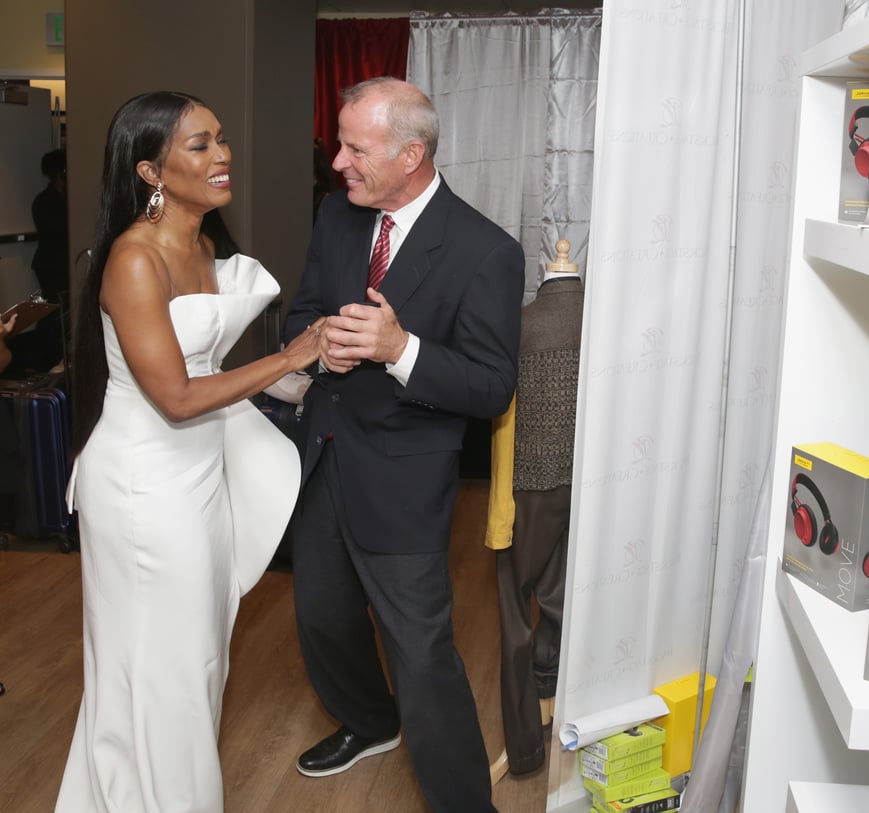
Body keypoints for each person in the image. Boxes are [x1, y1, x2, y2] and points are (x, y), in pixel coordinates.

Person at [56, 90, 325, 813]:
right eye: (200, 145)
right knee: (165, 658)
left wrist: (299, 377)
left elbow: (202, 377)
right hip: (145, 484)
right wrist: (287, 356)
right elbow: (174, 396)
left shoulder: (205, 246)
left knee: (200, 651)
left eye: (220, 138)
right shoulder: (133, 260)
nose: (223, 154)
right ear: (150, 171)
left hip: (199, 471)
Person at [284, 76, 525, 812]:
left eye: (357, 149)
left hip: (403, 479)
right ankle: (369, 720)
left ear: (411, 153)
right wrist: (321, 346)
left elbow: (491, 387)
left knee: (421, 656)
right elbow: (300, 311)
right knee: (320, 617)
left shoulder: (487, 251)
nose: (339, 164)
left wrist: (400, 347)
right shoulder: (337, 217)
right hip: (324, 454)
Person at [487, 239, 584, 783]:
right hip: (593, 484)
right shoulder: (604, 325)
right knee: (562, 594)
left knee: (513, 607)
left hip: (529, 486)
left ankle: (524, 750)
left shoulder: (520, 326)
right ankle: (556, 692)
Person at [31, 148, 70, 304]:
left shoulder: (47, 200)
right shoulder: (44, 202)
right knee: (53, 308)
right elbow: (55, 231)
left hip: (55, 263)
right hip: (52, 265)